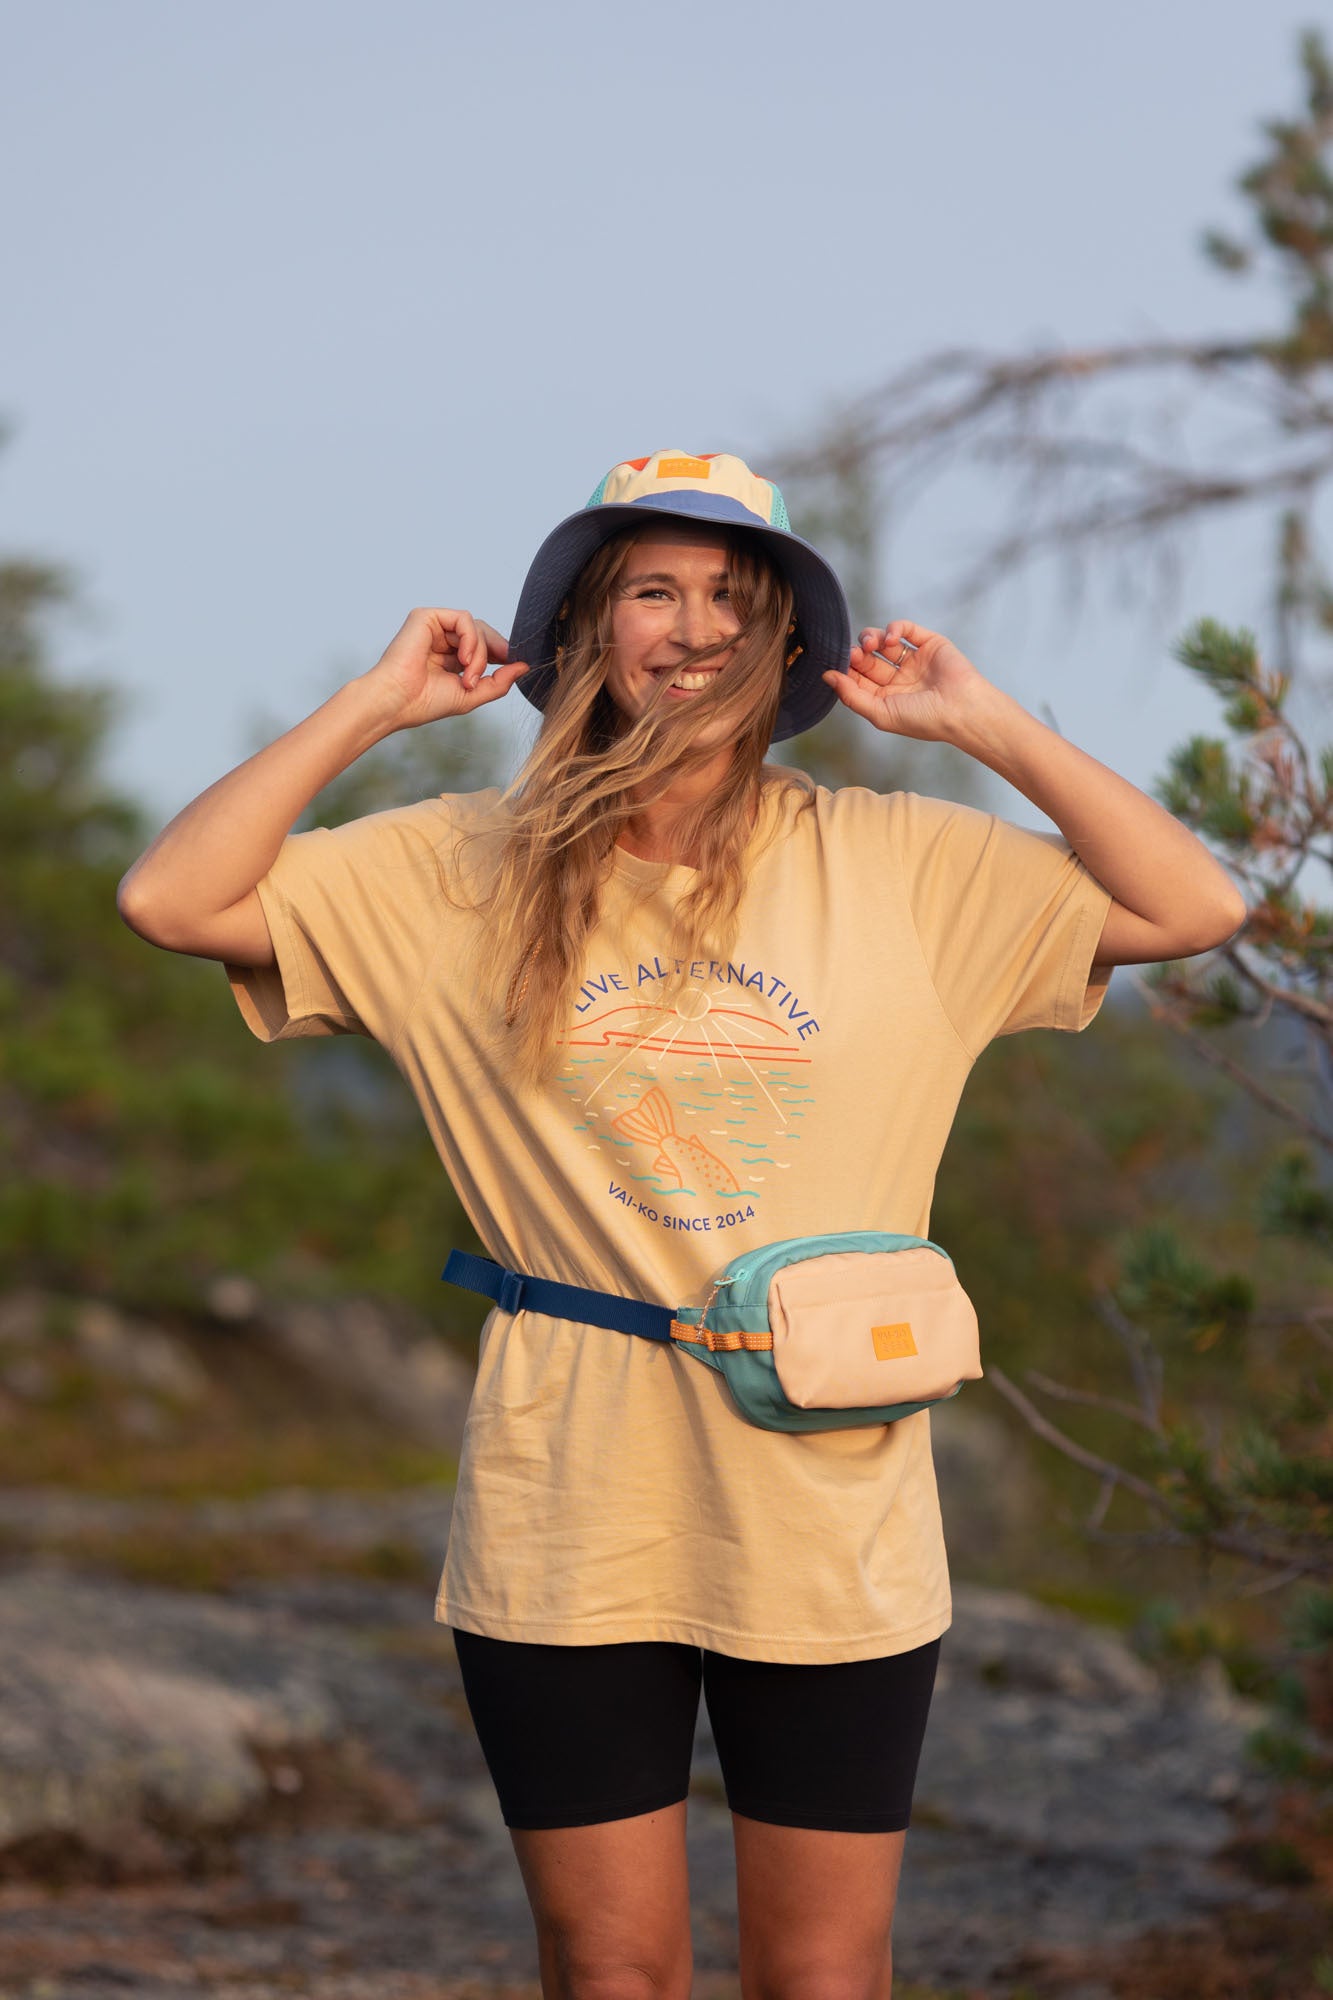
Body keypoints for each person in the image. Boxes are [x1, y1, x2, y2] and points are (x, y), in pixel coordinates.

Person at [117, 447, 1247, 2000]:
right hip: (568, 1488)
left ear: (789, 643)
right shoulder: (459, 867)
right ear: (589, 628)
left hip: (828, 1497)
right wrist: (373, 707)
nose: (694, 626)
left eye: (734, 595)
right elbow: (172, 903)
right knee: (609, 1964)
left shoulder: (899, 862)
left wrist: (979, 724)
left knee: (825, 1969)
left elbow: (1195, 908)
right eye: (651, 589)